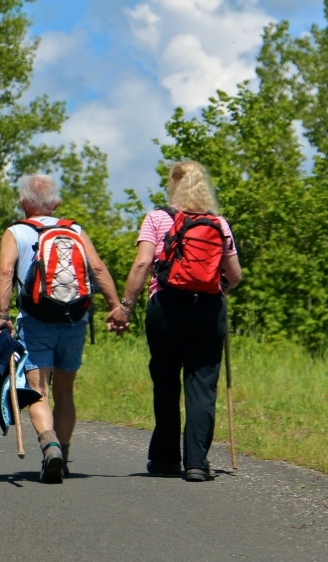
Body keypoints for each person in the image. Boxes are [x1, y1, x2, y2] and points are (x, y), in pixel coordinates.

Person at [110, 161, 241, 481]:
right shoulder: (219, 223)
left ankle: (166, 458)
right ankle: (196, 463)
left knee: (166, 382)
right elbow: (234, 276)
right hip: (208, 310)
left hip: (165, 309)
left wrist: (125, 307)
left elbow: (142, 264)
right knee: (201, 386)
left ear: (173, 184)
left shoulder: (156, 218)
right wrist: (216, 287)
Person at [0, 173, 121, 483]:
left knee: (38, 391)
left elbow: (5, 270)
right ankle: (62, 453)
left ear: (22, 203)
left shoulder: (16, 232)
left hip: (36, 320)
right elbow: (98, 268)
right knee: (65, 392)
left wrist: (3, 313)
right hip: (75, 320)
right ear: (57, 204)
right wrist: (116, 306)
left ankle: (49, 447)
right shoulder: (73, 229)